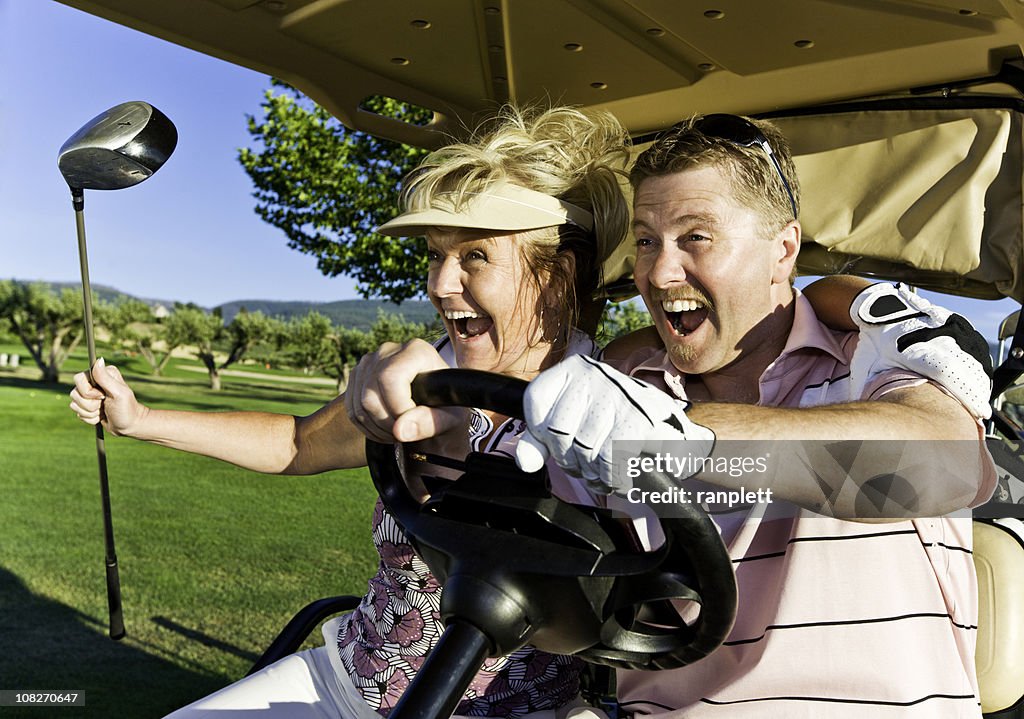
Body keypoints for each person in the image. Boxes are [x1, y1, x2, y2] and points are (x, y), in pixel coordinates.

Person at [70, 104, 633, 719]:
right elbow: (296, 444)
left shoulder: (617, 406)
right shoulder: (422, 373)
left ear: (559, 276)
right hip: (344, 684)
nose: (441, 284)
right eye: (435, 254)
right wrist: (141, 419)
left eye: (475, 256)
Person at [503, 114, 998, 717]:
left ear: (783, 250)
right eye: (646, 241)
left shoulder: (871, 357)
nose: (658, 274)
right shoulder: (623, 387)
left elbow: (937, 465)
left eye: (696, 237)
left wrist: (683, 438)